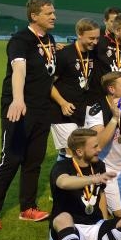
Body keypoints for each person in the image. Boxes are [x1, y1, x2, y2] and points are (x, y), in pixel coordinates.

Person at [0, 0, 57, 231]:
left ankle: (28, 208)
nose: (54, 16)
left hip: (42, 110)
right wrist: (17, 99)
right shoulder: (20, 40)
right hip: (19, 108)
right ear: (34, 16)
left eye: (53, 12)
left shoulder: (50, 39)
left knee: (34, 160)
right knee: (10, 159)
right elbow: (19, 70)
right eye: (48, 13)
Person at [85, 72, 121, 217]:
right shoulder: (96, 109)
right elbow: (99, 144)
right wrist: (115, 119)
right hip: (107, 170)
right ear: (112, 89)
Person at [50, 18, 100, 160]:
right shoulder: (64, 54)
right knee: (71, 154)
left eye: (97, 38)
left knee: (81, 154)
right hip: (62, 112)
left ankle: (74, 181)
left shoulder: (94, 53)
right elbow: (48, 83)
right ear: (79, 33)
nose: (95, 42)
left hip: (82, 110)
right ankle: (60, 180)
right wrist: (62, 103)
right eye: (91, 38)